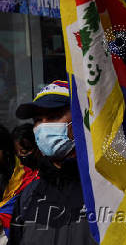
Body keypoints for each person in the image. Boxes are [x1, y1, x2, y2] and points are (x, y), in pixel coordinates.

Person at [9, 80, 97, 245]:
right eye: (37, 120)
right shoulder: (28, 196)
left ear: (80, 118)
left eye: (54, 116)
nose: (43, 126)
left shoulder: (111, 190)